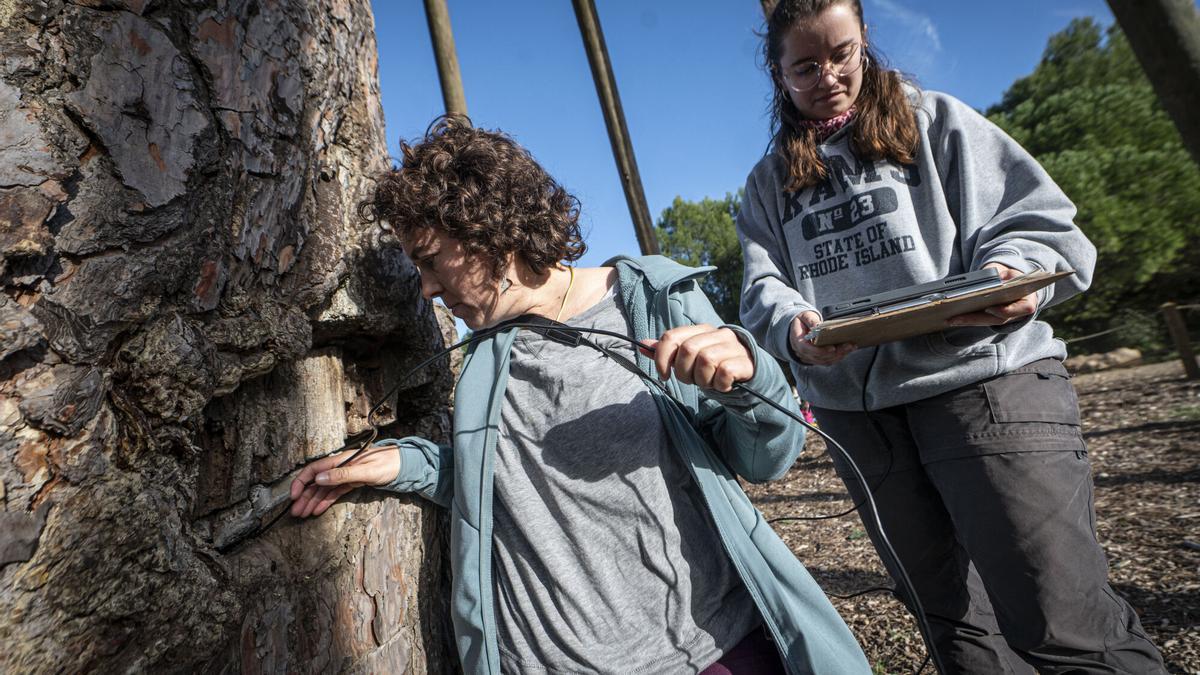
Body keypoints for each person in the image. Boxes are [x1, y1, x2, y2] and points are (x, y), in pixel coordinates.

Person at [289, 117, 870, 674]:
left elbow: (767, 457)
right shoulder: (481, 363)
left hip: (709, 651)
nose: (428, 290)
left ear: (485, 229)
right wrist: (404, 463)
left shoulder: (653, 299)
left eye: (431, 260)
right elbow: (504, 480)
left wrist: (753, 379)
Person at [736, 1, 1166, 673]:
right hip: (863, 418)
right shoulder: (768, 184)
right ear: (778, 73)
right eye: (806, 66)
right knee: (954, 630)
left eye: (843, 53)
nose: (829, 76)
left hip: (985, 384)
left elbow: (1037, 220)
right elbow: (764, 286)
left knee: (1062, 621)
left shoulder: (934, 121)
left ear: (865, 43)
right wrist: (793, 327)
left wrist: (1011, 273)